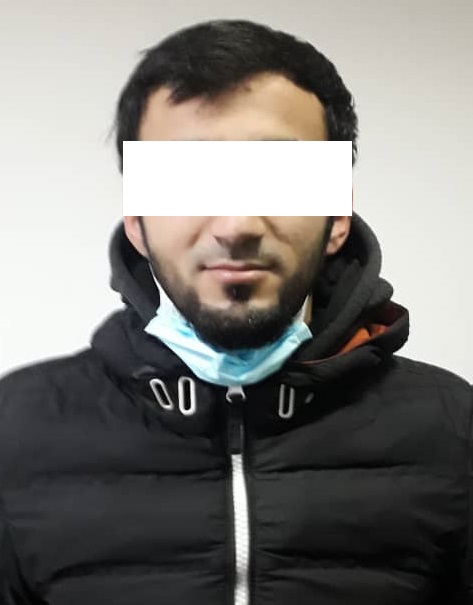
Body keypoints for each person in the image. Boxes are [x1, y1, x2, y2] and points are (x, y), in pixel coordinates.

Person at [0, 18, 471, 605]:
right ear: (137, 221)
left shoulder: (455, 431)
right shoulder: (14, 429)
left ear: (337, 216)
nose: (237, 225)